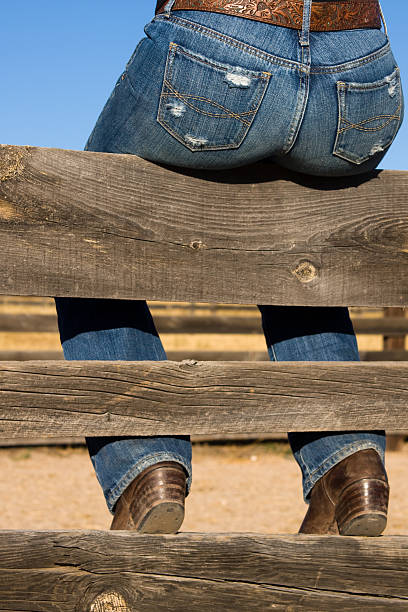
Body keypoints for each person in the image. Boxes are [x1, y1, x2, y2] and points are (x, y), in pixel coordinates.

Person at [54, 0, 404, 535]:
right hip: (361, 73)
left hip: (221, 48)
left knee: (79, 231)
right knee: (297, 244)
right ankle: (348, 466)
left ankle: (145, 465)